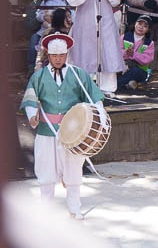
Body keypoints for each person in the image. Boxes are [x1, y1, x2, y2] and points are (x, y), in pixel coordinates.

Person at [20, 33, 106, 219]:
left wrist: (100, 115)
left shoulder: (79, 74)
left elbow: (94, 97)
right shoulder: (39, 76)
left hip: (73, 132)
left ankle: (74, 207)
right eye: (54, 56)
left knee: (74, 169)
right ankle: (46, 208)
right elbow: (30, 101)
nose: (58, 59)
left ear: (67, 54)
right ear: (48, 56)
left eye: (61, 55)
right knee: (46, 169)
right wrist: (32, 116)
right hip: (46, 130)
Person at [65, 0, 125, 96]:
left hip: (105, 24)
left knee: (107, 53)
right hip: (84, 25)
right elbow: (72, 0)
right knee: (83, 54)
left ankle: (107, 88)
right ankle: (83, 87)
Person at [118, 15, 156, 92]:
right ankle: (128, 84)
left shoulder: (149, 43)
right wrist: (125, 53)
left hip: (139, 70)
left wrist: (133, 54)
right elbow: (116, 52)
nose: (141, 27)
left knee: (135, 71)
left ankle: (117, 84)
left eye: (145, 26)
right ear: (135, 24)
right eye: (139, 24)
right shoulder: (124, 37)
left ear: (148, 29)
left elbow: (147, 59)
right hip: (123, 67)